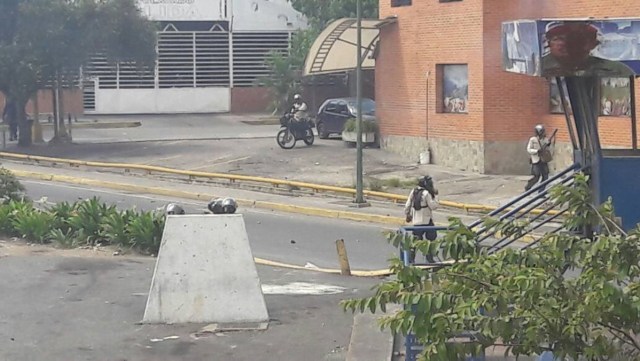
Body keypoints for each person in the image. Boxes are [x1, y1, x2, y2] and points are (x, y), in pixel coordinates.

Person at [541, 21, 635, 77]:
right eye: (557, 39)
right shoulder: (538, 67)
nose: (564, 43)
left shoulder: (617, 70)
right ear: (549, 43)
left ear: (591, 44)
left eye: (573, 39)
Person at [404, 175, 440, 263]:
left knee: (415, 240)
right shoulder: (426, 193)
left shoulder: (413, 191)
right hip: (426, 220)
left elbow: (407, 205)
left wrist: (408, 214)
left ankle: (411, 259)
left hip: (416, 221)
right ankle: (429, 258)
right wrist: (436, 196)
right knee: (431, 238)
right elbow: (433, 206)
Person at [525, 124, 551, 192]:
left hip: (543, 160)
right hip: (536, 160)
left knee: (545, 176)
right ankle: (528, 187)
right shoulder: (532, 139)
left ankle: (541, 191)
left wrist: (548, 145)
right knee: (536, 176)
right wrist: (536, 151)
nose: (542, 133)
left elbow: (547, 149)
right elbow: (529, 149)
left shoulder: (545, 139)